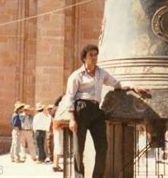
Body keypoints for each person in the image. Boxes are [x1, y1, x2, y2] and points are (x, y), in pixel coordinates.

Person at [65, 44, 147, 178]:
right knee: (78, 149)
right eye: (91, 55)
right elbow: (70, 96)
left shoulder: (101, 73)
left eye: (95, 54)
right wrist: (72, 118)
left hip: (96, 110)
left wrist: (133, 87)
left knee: (102, 147)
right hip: (81, 109)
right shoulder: (76, 76)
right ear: (84, 58)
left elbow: (116, 83)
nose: (94, 57)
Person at [51, 95, 65, 172]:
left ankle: (55, 164)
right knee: (58, 146)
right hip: (59, 127)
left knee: (57, 146)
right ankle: (55, 165)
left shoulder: (55, 108)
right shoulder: (59, 108)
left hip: (57, 128)